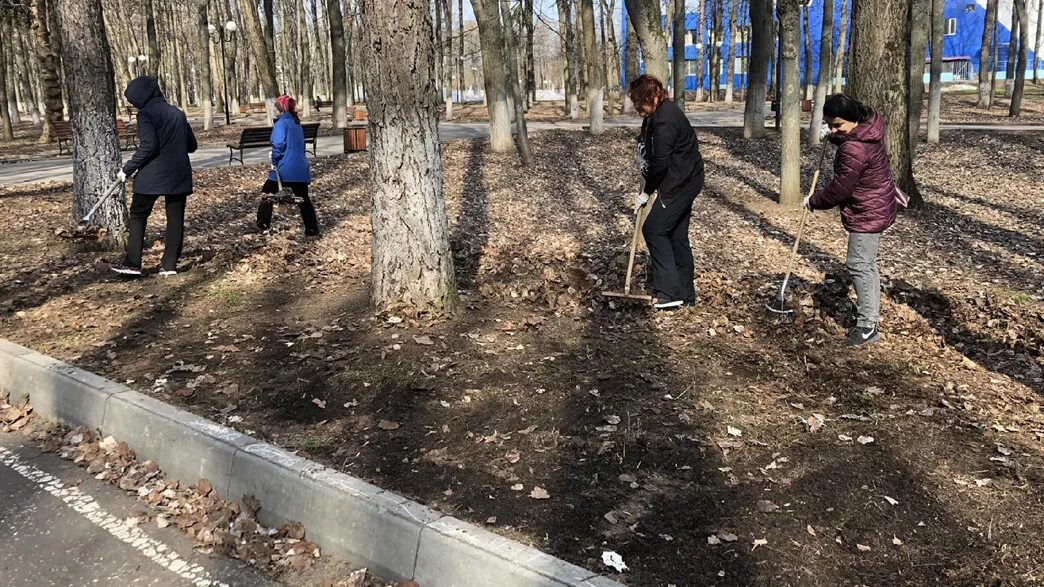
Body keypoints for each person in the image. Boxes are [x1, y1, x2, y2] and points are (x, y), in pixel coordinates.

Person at [806, 94, 900, 348]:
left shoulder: (854, 147)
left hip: (868, 210)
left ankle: (868, 327)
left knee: (858, 264)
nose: (834, 130)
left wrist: (813, 201)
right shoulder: (867, 131)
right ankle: (870, 316)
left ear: (853, 119)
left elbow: (840, 190)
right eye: (829, 125)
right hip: (877, 203)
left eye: (838, 125)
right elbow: (851, 145)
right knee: (866, 264)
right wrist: (836, 137)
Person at [629, 74, 705, 310]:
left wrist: (647, 192)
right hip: (685, 178)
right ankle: (685, 294)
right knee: (676, 236)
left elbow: (660, 164)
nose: (636, 107)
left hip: (680, 183)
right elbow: (652, 150)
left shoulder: (665, 121)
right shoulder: (657, 115)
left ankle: (669, 293)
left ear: (651, 97)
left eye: (638, 102)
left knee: (653, 230)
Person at [111, 76, 197, 277]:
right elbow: (192, 146)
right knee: (175, 219)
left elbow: (149, 146)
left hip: (152, 176)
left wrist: (127, 169)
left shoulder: (146, 114)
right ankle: (169, 266)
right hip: (178, 175)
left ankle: (133, 263)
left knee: (138, 216)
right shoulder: (178, 113)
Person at [256, 95, 320, 236]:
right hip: (300, 168)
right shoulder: (296, 124)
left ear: (280, 109)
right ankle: (312, 228)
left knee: (266, 192)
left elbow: (279, 145)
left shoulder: (281, 124)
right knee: (303, 197)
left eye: (276, 107)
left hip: (285, 169)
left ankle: (263, 224)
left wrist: (274, 161)